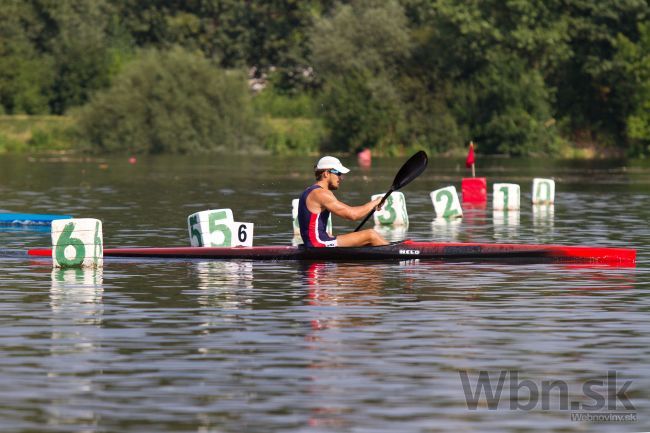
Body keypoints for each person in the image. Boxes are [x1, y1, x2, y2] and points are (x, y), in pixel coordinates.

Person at [298, 156, 388, 247]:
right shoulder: (320, 194)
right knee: (371, 235)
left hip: (317, 241)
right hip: (318, 244)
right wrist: (374, 203)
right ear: (326, 174)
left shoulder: (309, 190)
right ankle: (397, 253)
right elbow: (353, 215)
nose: (340, 178)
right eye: (338, 173)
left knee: (367, 242)